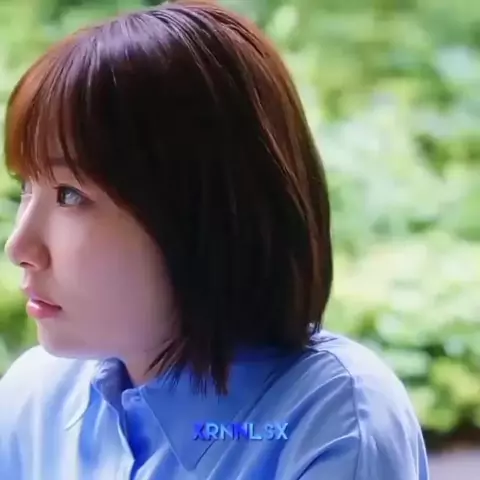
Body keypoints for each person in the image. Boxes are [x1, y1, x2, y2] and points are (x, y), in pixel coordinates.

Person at [0, 1, 429, 479]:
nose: (20, 247)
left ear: (203, 210)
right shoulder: (35, 399)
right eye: (26, 187)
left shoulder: (331, 423)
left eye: (69, 194)